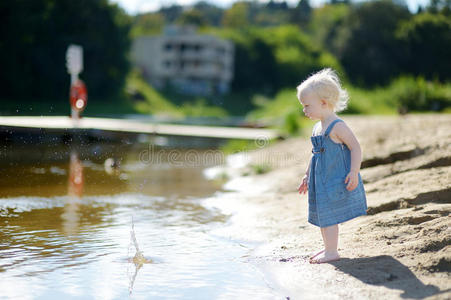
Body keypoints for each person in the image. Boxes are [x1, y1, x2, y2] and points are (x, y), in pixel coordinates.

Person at [296, 68, 367, 264]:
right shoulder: (317, 127)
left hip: (334, 179)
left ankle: (332, 251)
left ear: (324, 103)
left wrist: (354, 171)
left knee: (330, 216)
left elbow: (355, 147)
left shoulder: (337, 126)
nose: (304, 110)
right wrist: (307, 175)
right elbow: (315, 154)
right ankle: (328, 248)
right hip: (321, 179)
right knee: (322, 215)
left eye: (307, 105)